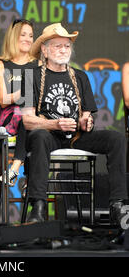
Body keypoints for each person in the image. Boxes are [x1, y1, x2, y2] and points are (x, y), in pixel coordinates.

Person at [19, 22, 128, 227]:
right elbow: (28, 120)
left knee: (116, 139)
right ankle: (39, 206)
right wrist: (55, 124)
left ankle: (118, 205)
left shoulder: (80, 76)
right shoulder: (30, 77)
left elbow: (85, 117)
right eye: (58, 46)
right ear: (44, 49)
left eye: (67, 46)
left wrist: (87, 122)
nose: (63, 50)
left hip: (76, 138)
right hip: (49, 137)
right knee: (40, 136)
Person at [0, 19, 38, 187]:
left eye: (31, 35)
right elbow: (3, 100)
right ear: (13, 37)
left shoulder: (39, 64)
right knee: (26, 114)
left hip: (35, 117)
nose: (28, 39)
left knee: (32, 116)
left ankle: (24, 174)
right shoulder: (0, 65)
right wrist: (24, 92)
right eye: (23, 34)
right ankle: (29, 179)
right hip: (11, 117)